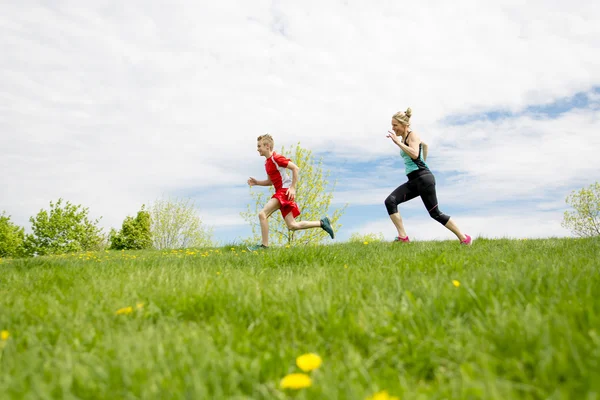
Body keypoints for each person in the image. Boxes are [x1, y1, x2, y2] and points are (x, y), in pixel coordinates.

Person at [384, 108, 472, 245]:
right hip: (414, 180)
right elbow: (424, 145)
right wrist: (423, 162)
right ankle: (403, 237)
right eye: (392, 125)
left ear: (404, 125)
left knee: (435, 213)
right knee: (390, 201)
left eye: (395, 125)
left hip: (424, 179)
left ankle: (464, 238)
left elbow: (414, 153)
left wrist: (398, 143)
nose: (393, 128)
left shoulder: (412, 135)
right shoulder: (406, 138)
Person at [246, 134, 335, 250]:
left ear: (267, 146)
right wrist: (257, 182)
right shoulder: (267, 163)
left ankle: (264, 246)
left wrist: (292, 187)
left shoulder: (276, 158)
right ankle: (322, 223)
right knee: (292, 225)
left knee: (262, 214)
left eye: (259, 146)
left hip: (284, 192)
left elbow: (295, 168)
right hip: (281, 192)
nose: (257, 149)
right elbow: (270, 181)